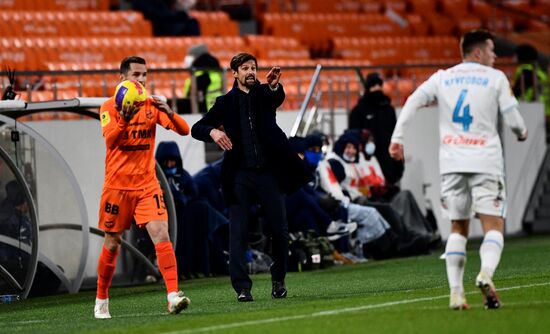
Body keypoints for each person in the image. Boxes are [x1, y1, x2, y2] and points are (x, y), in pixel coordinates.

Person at [389, 29, 528, 310]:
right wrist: (522, 131)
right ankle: (486, 274)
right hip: (485, 160)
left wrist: (397, 137)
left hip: (452, 163)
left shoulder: (443, 77)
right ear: (477, 53)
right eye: (491, 50)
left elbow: (413, 100)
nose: (495, 56)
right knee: (493, 226)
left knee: (458, 226)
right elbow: (513, 118)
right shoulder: (495, 78)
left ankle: (455, 293)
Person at [191, 52, 312, 302]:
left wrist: (275, 85)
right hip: (239, 176)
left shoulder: (264, 94)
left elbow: (276, 97)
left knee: (279, 230)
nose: (250, 72)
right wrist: (213, 131)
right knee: (238, 232)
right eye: (245, 68)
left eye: (253, 68)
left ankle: (278, 279)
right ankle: (242, 287)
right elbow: (196, 128)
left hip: (269, 174)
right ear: (234, 73)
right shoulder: (224, 103)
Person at [94, 56, 191, 319]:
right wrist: (124, 119)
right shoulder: (107, 107)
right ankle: (101, 299)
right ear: (122, 78)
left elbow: (184, 130)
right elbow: (111, 141)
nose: (141, 80)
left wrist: (169, 112)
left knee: (162, 234)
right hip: (117, 187)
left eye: (145, 75)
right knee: (112, 243)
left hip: (147, 185)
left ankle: (173, 295)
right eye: (136, 74)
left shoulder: (151, 106)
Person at [349, 72, 404, 184]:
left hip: (388, 161)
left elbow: (396, 135)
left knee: (390, 191)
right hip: (367, 162)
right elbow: (352, 137)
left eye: (379, 85)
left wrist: (399, 163)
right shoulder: (358, 111)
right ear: (368, 88)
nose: (377, 89)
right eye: (373, 86)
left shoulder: (389, 110)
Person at [182, 44, 223, 114]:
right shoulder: (215, 73)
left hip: (206, 114)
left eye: (191, 55)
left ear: (197, 57)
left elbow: (191, 100)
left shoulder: (201, 76)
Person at [512, 43, 549, 119]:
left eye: (516, 54)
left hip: (531, 109)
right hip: (544, 109)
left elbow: (517, 92)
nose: (513, 57)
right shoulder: (539, 71)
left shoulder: (526, 72)